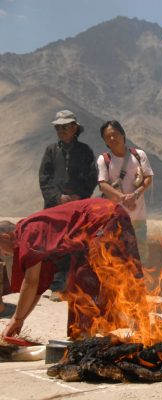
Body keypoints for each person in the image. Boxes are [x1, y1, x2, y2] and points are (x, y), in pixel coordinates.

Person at [0, 199, 144, 339]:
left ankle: (93, 333)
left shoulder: (29, 231)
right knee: (77, 281)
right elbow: (36, 288)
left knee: (92, 276)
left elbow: (31, 282)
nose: (3, 254)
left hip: (104, 217)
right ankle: (83, 334)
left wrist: (17, 319)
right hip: (106, 218)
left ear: (5, 237)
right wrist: (20, 318)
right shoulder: (30, 231)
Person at [39, 109, 98, 300]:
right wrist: (57, 197)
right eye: (58, 128)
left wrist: (79, 196)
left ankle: (76, 285)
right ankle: (56, 286)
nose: (61, 131)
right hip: (55, 208)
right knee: (54, 246)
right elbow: (44, 178)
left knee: (77, 245)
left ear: (75, 128)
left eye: (65, 127)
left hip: (77, 208)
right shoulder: (51, 151)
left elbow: (91, 178)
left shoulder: (86, 151)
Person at [97, 120, 154, 265]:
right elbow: (102, 184)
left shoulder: (139, 155)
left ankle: (139, 287)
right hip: (115, 219)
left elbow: (148, 178)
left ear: (123, 135)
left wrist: (135, 195)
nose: (112, 138)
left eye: (115, 134)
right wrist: (123, 198)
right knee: (117, 260)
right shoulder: (104, 160)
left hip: (138, 219)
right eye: (107, 137)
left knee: (140, 260)